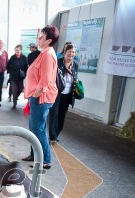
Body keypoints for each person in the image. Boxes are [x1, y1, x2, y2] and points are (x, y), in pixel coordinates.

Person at [22, 25, 60, 169]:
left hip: (41, 97)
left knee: (38, 128)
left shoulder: (48, 55)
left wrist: (35, 96)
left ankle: (45, 160)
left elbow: (45, 80)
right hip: (37, 96)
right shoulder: (44, 52)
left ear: (49, 40)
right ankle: (34, 154)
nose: (39, 38)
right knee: (35, 127)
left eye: (42, 37)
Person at [49, 42, 79, 143]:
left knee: (62, 115)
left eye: (73, 52)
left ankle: (56, 134)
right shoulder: (58, 63)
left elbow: (75, 78)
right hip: (57, 93)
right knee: (54, 114)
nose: (72, 54)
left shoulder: (75, 64)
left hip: (68, 95)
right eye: (70, 52)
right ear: (65, 52)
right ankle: (52, 136)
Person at [6, 44, 28, 109]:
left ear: (21, 51)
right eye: (16, 51)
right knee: (14, 90)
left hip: (21, 77)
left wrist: (26, 74)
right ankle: (14, 102)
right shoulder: (12, 57)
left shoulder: (24, 58)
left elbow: (26, 67)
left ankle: (15, 97)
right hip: (13, 77)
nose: (17, 52)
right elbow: (7, 66)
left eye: (18, 51)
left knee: (20, 89)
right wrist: (10, 72)